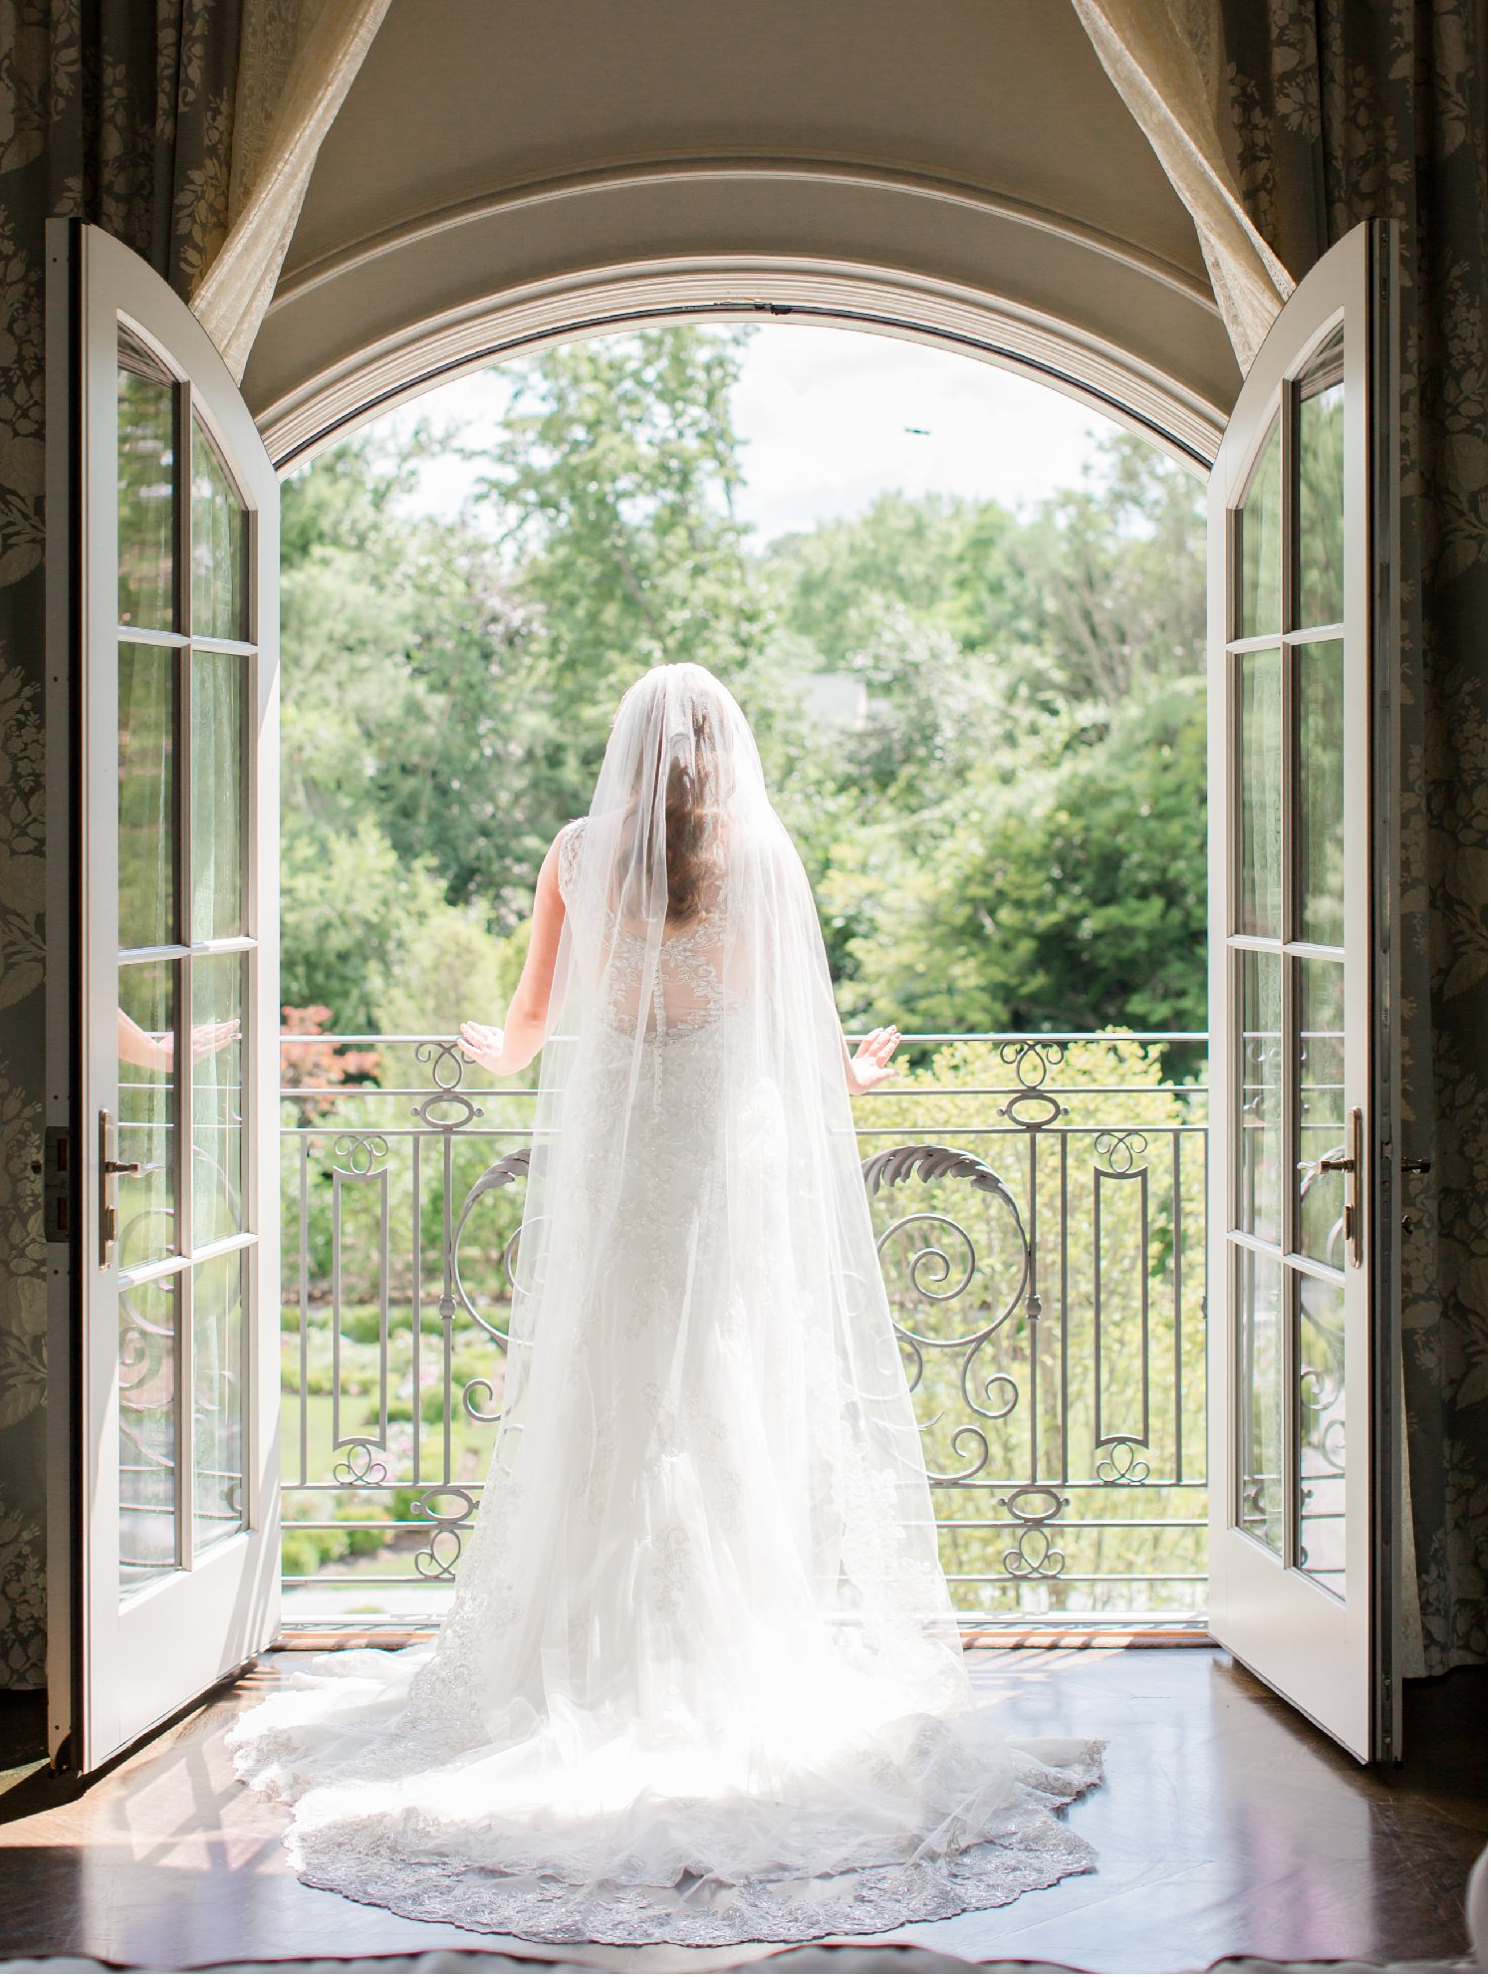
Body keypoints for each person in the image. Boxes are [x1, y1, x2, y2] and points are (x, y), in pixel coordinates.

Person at [231, 664, 1102, 1946]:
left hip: (618, 1172)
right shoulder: (761, 861)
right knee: (725, 1393)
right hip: (720, 1161)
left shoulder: (578, 855)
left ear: (628, 752)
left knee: (610, 1397)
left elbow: (532, 1024)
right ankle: (723, 1658)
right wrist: (853, 1069)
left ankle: (584, 1662)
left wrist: (493, 1050)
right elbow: (795, 1037)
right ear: (722, 757)